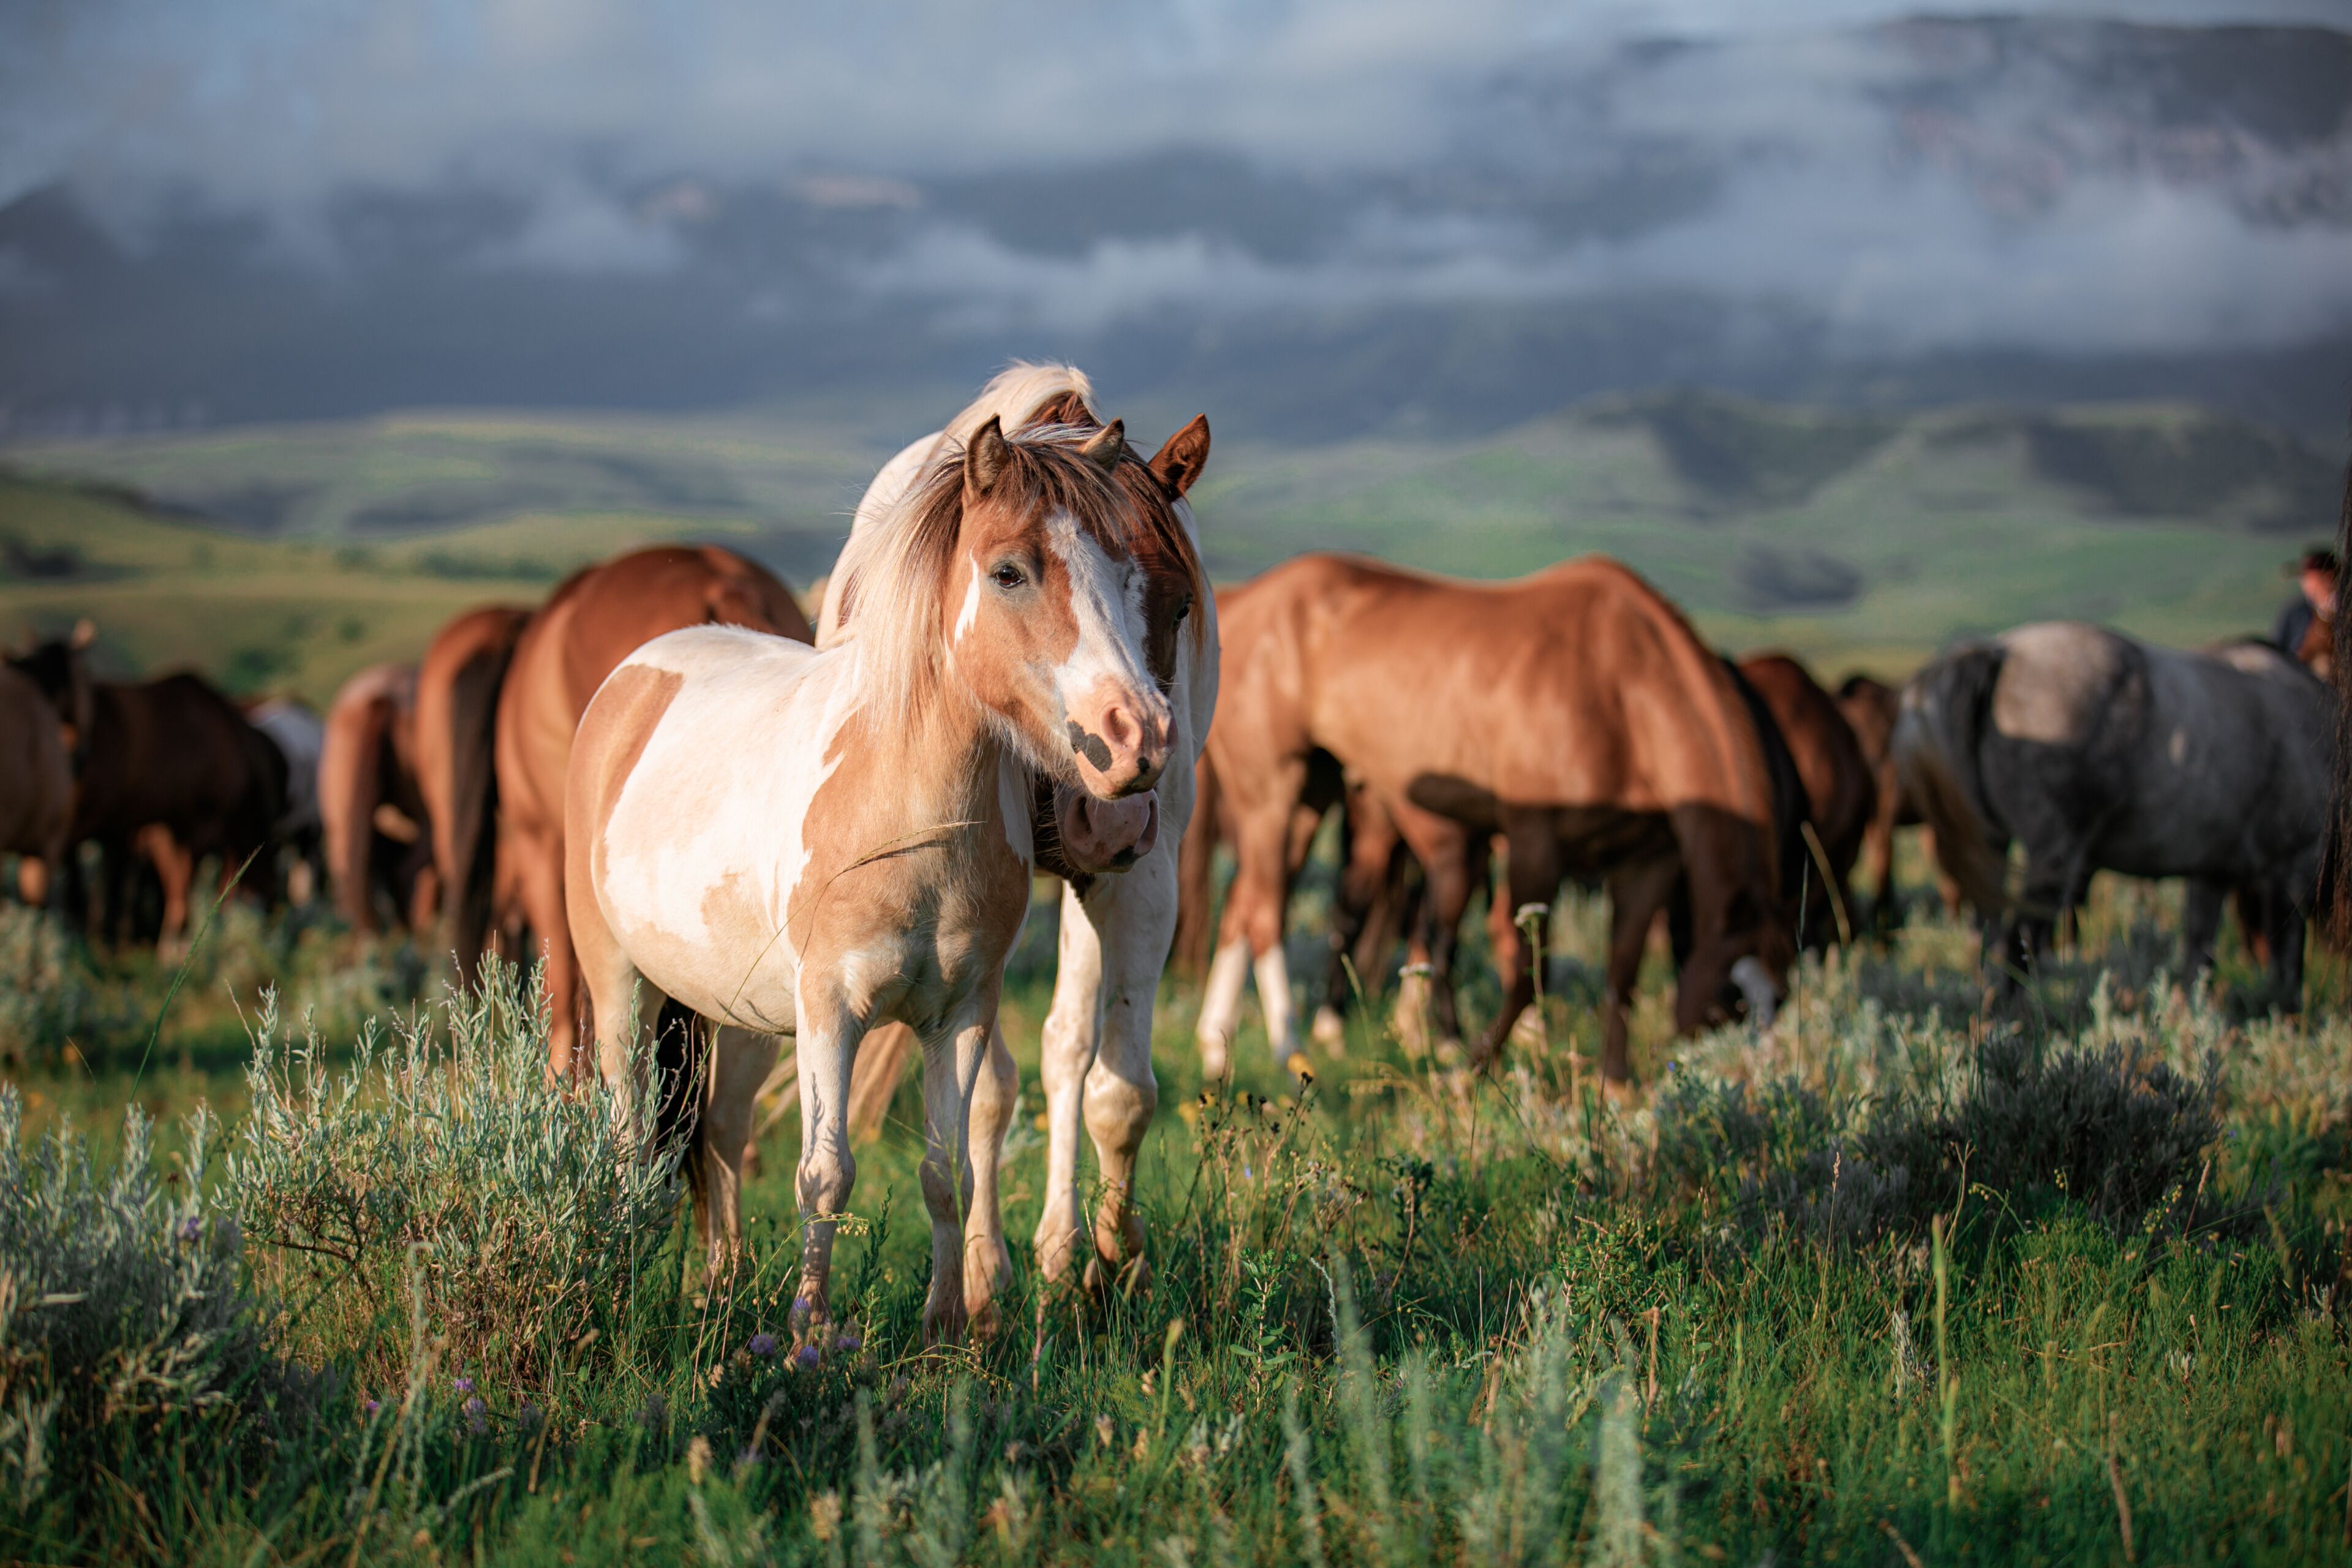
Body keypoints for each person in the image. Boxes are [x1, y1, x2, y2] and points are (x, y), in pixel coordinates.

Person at [2272, 548, 2337, 669]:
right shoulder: (2296, 612)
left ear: (2328, 577)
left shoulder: (2344, 613)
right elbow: (2279, 650)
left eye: (2308, 578)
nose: (2304, 584)